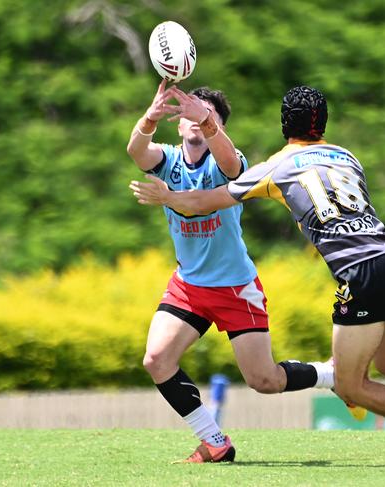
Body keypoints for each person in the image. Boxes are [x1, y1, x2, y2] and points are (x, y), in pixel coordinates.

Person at [130, 85, 385, 467]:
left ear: (285, 125)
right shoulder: (346, 156)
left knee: (353, 385)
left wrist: (168, 198)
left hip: (359, 273)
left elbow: (206, 200)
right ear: (323, 123)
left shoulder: (276, 167)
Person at [126, 81, 358, 464]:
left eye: (210, 115)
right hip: (189, 286)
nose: (199, 120)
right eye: (191, 114)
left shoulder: (227, 160)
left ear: (218, 123)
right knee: (156, 360)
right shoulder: (168, 160)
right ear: (180, 124)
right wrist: (149, 118)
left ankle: (330, 376)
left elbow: (232, 165)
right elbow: (137, 152)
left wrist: (210, 124)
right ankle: (215, 441)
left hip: (235, 288)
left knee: (264, 380)